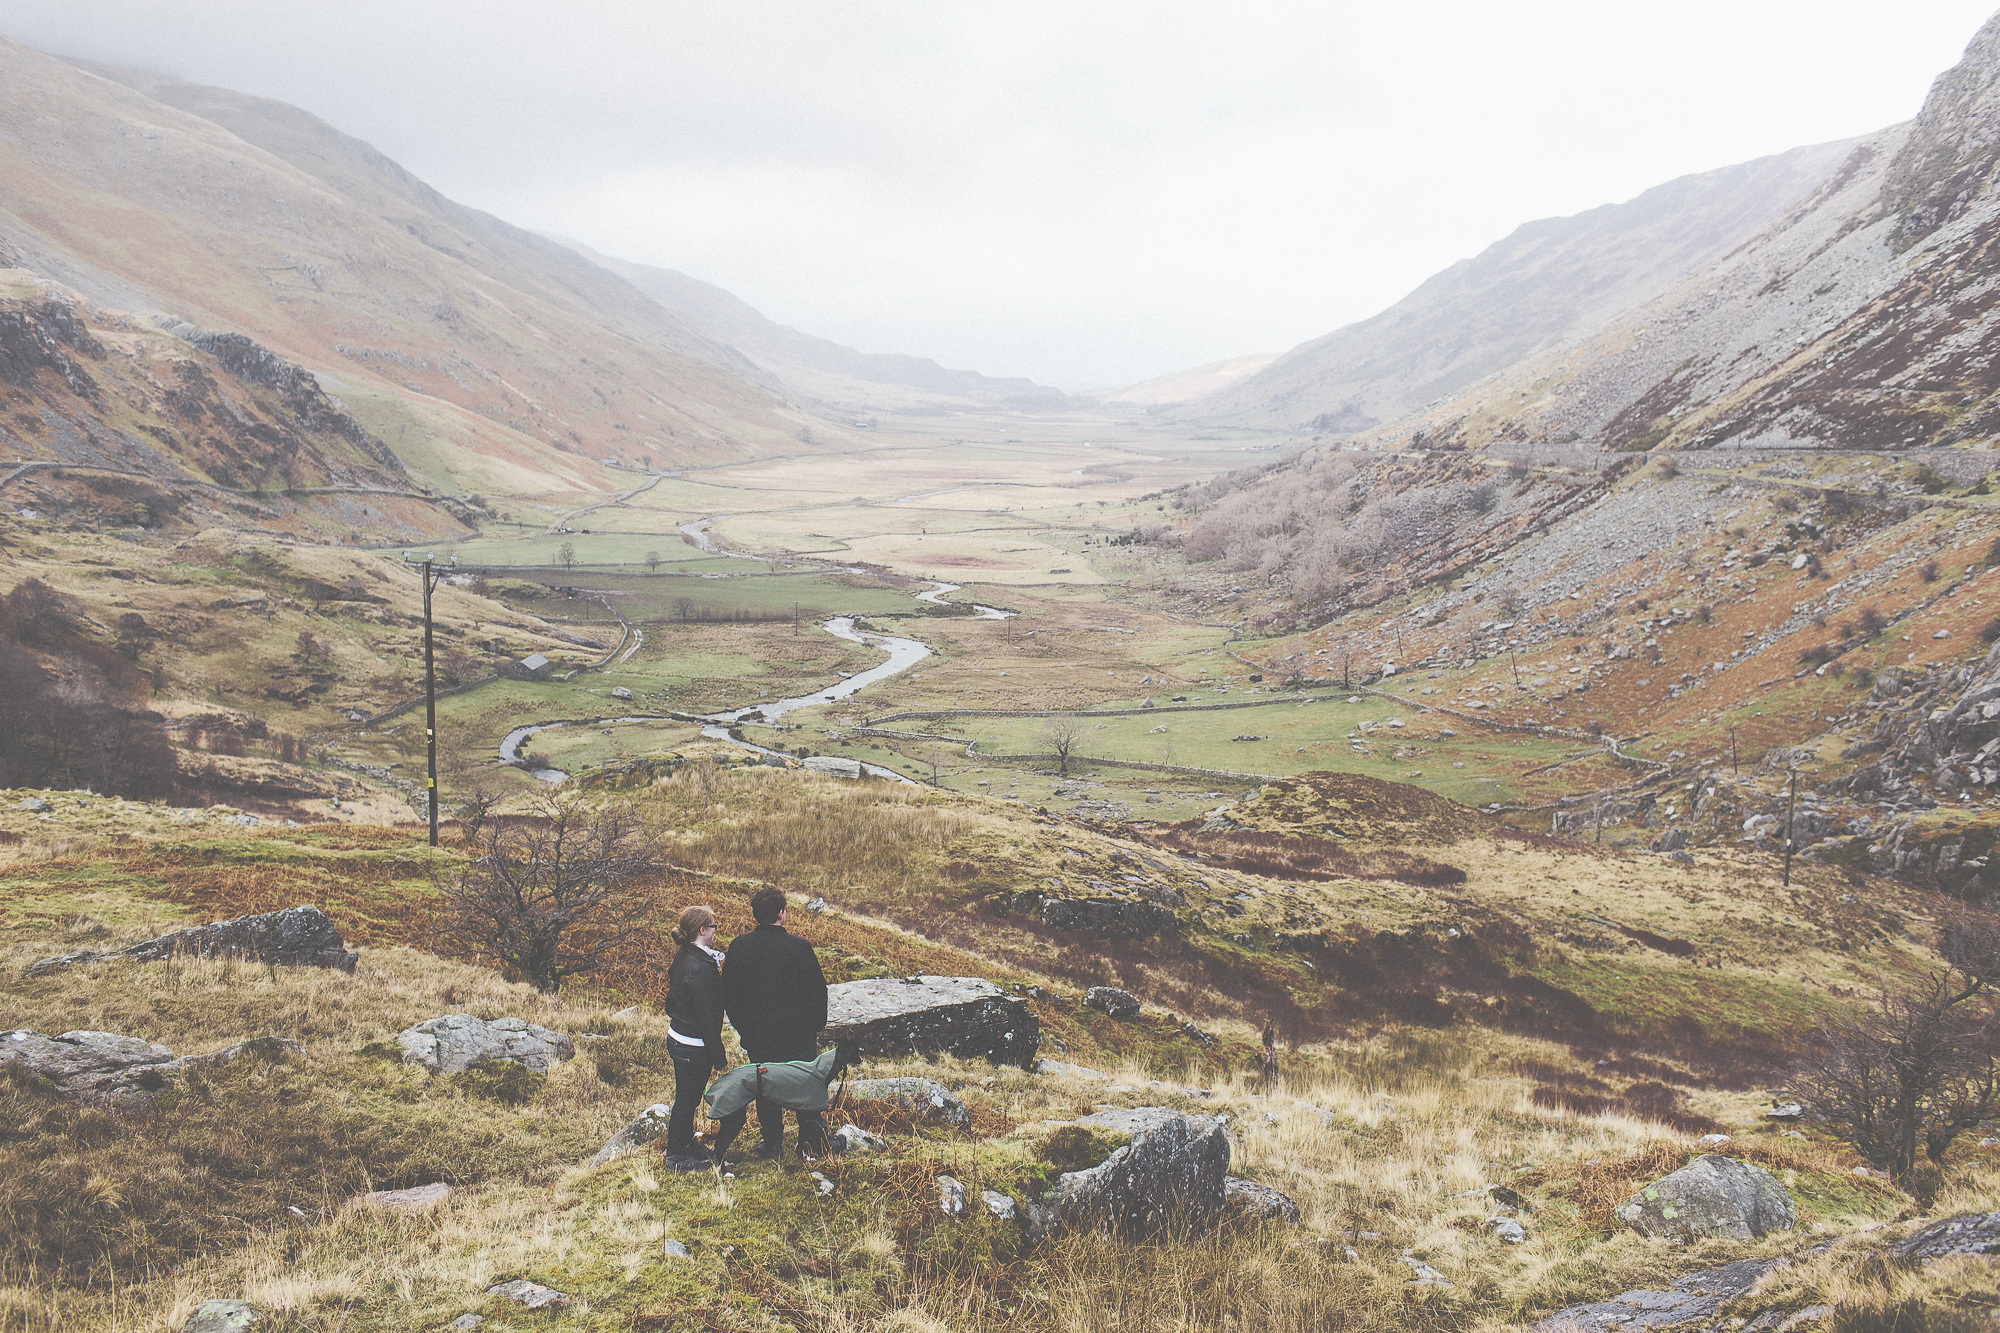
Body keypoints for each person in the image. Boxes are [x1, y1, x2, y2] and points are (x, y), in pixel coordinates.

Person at [720, 886, 829, 1160]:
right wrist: (815, 1026)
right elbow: (817, 992)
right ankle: (811, 1143)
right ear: (781, 913)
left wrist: (744, 1030)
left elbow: (730, 995)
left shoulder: (739, 947)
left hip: (759, 1037)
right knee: (806, 1085)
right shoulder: (800, 947)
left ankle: (772, 1143)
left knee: (765, 1087)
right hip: (799, 1036)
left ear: (757, 914)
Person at [662, 904, 726, 1169]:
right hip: (692, 1045)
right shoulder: (701, 969)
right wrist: (718, 1056)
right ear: (702, 930)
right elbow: (707, 1018)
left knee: (687, 1097)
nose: (715, 931)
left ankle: (685, 1143)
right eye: (713, 926)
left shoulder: (685, 955)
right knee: (687, 1100)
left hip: (679, 1037)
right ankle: (676, 1156)